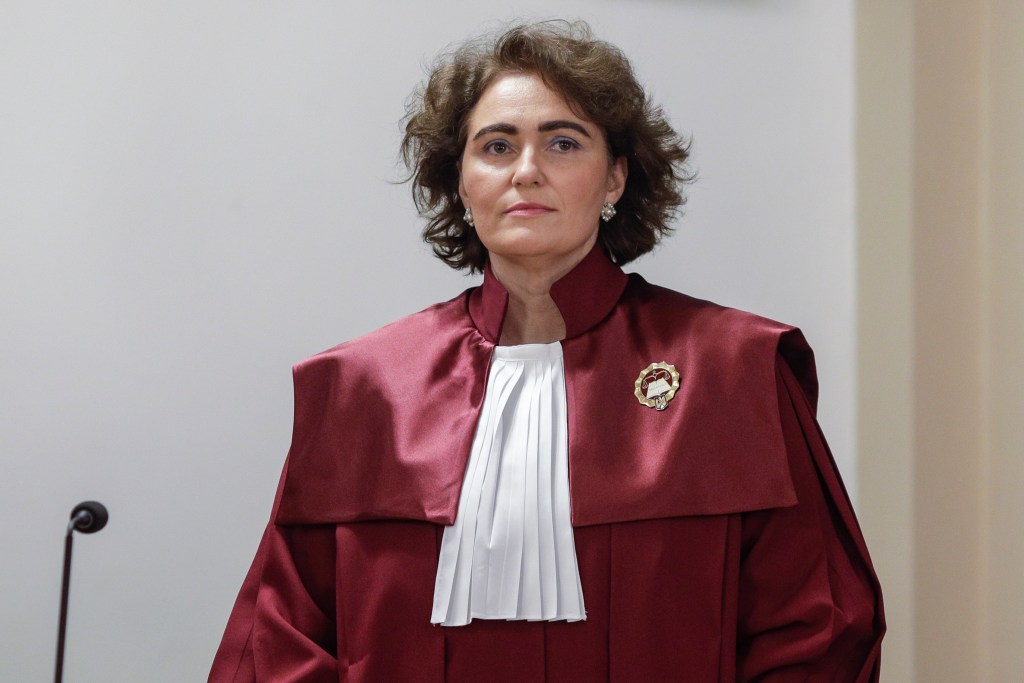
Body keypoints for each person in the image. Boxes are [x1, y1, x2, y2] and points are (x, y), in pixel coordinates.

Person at [209, 20, 884, 682]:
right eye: (497, 146)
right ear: (461, 182)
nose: (527, 171)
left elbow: (817, 628)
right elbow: (280, 639)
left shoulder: (736, 371)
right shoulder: (363, 388)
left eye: (563, 143)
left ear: (614, 178)